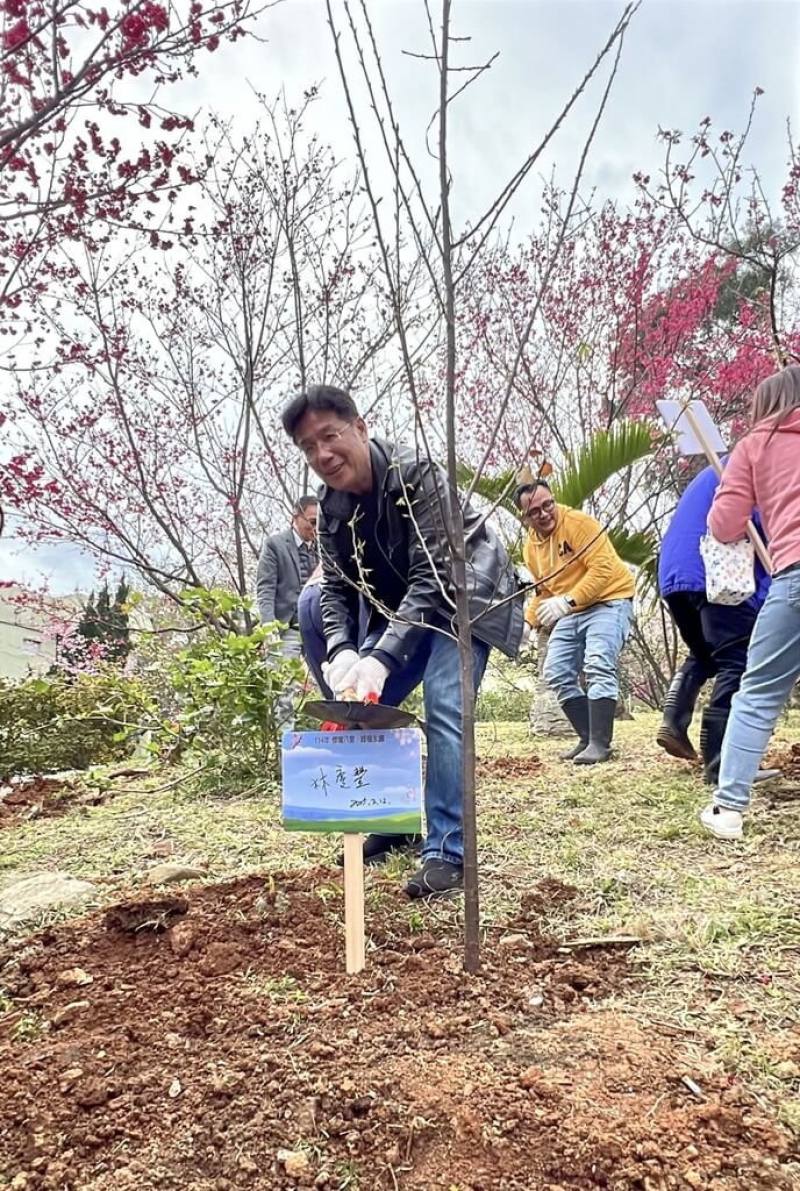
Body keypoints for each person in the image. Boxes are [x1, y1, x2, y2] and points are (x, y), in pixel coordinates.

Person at [281, 384, 525, 898]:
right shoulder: (331, 508)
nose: (322, 454)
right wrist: (344, 649)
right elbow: (335, 589)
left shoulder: (417, 477)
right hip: (404, 611)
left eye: (330, 436)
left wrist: (383, 656)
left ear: (360, 428)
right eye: (308, 447)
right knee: (364, 703)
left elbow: (435, 576)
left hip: (464, 600)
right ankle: (393, 819)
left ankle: (447, 850)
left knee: (444, 707)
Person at [700, 365, 800, 839]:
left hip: (794, 576)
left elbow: (723, 524)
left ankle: (728, 809)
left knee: (758, 692)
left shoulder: (756, 443)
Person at [656, 464, 778, 785]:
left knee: (707, 653)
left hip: (676, 570)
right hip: (719, 571)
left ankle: (674, 719)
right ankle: (721, 762)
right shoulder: (767, 465)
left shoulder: (723, 463)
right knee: (737, 660)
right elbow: (769, 541)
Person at [518, 480, 635, 764]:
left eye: (548, 504)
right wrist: (527, 624)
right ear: (525, 517)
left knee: (597, 662)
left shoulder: (579, 524)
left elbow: (603, 569)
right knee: (556, 670)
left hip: (609, 599)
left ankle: (600, 743)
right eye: (535, 511)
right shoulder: (531, 548)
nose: (544, 513)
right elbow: (543, 591)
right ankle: (586, 736)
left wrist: (567, 601)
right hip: (573, 609)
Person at [255, 496, 319, 657]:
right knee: (287, 681)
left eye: (320, 523)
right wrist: (268, 626)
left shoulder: (325, 549)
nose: (316, 528)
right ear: (296, 517)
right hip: (287, 629)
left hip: (318, 631)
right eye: (312, 522)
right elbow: (265, 589)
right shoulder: (275, 545)